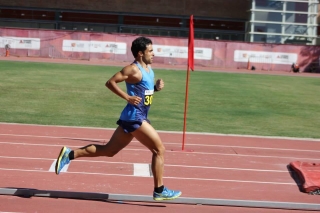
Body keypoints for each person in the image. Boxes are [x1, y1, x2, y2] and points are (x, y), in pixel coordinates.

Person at [54, 36, 181, 201]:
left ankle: (69, 154)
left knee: (109, 151)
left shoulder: (149, 69)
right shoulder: (132, 69)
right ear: (140, 53)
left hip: (135, 116)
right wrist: (127, 97)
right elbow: (110, 82)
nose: (153, 54)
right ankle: (159, 190)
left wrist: (155, 88)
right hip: (135, 117)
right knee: (159, 150)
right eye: (150, 51)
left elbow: (144, 93)